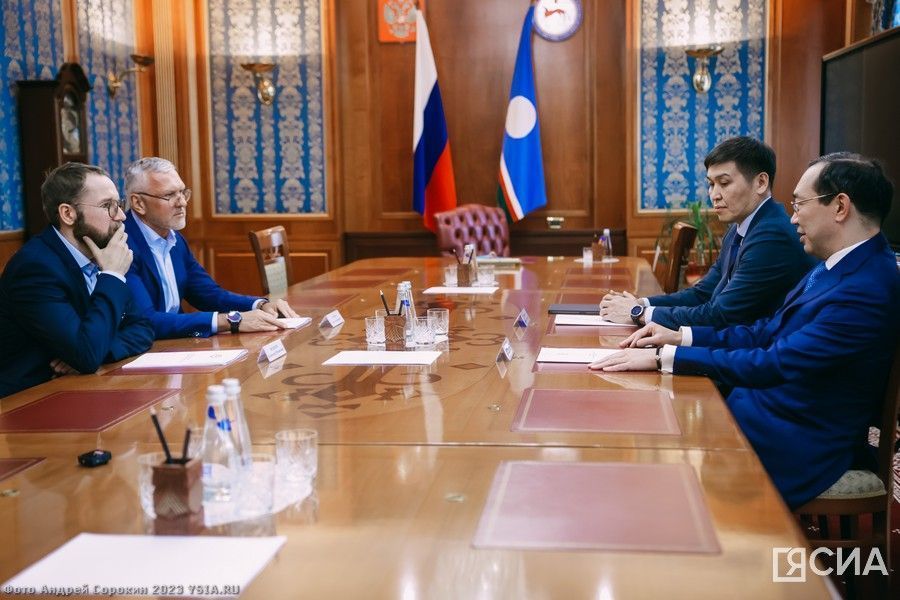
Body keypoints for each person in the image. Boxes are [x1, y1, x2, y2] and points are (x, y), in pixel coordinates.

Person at [589, 153, 900, 509]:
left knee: (656, 471)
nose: (793, 217)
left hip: (793, 441)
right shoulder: (837, 264)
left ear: (840, 207)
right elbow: (764, 331)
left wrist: (664, 358)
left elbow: (774, 362)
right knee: (643, 430)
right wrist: (679, 339)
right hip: (762, 409)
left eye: (800, 204)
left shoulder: (866, 287)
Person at [601, 136, 814, 329]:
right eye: (711, 184)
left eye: (724, 183)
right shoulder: (739, 228)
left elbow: (720, 315)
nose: (714, 195)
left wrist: (638, 313)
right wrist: (641, 303)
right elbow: (702, 293)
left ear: (761, 182)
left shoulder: (772, 235)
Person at [0, 163, 154, 398]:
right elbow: (87, 354)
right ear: (68, 214)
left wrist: (99, 350)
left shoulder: (100, 255)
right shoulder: (35, 268)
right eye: (108, 206)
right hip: (29, 400)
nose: (121, 216)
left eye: (119, 204)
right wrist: (112, 275)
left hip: (80, 389)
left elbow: (142, 328)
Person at [123, 157, 300, 339]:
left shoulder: (175, 239)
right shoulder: (122, 247)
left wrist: (260, 305)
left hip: (175, 344)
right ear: (138, 203)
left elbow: (207, 294)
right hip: (144, 349)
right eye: (169, 195)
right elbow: (146, 321)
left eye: (182, 192)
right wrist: (232, 320)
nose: (182, 202)